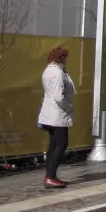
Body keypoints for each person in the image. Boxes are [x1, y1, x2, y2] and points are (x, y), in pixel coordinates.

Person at [37, 46, 74, 189]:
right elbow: (59, 96)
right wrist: (69, 106)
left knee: (53, 144)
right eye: (65, 57)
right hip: (58, 113)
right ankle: (50, 176)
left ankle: (50, 175)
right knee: (61, 143)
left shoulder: (48, 71)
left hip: (49, 113)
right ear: (61, 58)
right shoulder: (58, 73)